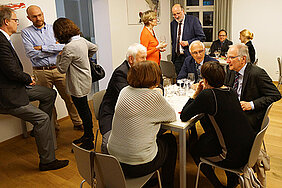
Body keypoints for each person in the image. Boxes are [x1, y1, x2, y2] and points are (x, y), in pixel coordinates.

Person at [0, 5, 68, 171]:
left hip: (17, 85)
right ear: (6, 22)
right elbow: (12, 70)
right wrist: (27, 78)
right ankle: (47, 161)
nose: (17, 23)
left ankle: (42, 133)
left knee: (49, 94)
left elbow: (63, 47)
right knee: (43, 118)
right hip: (9, 94)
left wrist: (43, 48)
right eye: (15, 20)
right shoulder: (1, 42)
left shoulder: (5, 39)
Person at [181, 61, 256, 188]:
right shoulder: (231, 91)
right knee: (207, 138)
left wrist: (196, 94)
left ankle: (218, 185)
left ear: (205, 79)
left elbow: (184, 116)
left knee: (193, 149)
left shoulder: (208, 95)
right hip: (249, 149)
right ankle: (232, 180)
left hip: (232, 156)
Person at [107, 61, 177, 187]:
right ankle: (168, 184)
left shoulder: (124, 91)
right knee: (170, 140)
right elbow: (171, 116)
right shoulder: (153, 95)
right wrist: (158, 94)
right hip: (137, 165)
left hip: (113, 161)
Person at [21, 5, 83, 131]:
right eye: (34, 16)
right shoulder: (26, 33)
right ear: (29, 18)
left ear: (43, 13)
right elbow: (31, 54)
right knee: (47, 101)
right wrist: (54, 47)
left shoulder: (53, 28)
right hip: (41, 72)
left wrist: (42, 48)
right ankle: (53, 126)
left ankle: (78, 122)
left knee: (69, 98)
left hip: (59, 69)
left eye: (40, 15)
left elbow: (64, 47)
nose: (38, 18)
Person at [53, 18, 98, 150]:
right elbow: (94, 48)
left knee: (83, 110)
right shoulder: (81, 41)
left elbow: (61, 69)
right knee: (84, 109)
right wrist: (84, 58)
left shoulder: (69, 47)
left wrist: (59, 55)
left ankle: (89, 139)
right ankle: (87, 135)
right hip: (85, 79)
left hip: (77, 83)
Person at [99, 43, 147, 154]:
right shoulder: (121, 73)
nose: (145, 60)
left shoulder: (140, 68)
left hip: (131, 114)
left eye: (146, 57)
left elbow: (157, 81)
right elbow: (129, 99)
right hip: (112, 114)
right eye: (142, 58)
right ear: (131, 59)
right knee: (108, 146)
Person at [224, 44, 281, 133]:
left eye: (231, 58)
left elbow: (275, 95)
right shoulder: (231, 70)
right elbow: (227, 87)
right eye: (227, 57)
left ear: (243, 59)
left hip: (249, 116)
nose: (227, 61)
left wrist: (251, 104)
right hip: (234, 109)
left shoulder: (257, 73)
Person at [171, 4, 206, 75]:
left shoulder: (193, 20)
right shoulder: (173, 24)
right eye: (174, 14)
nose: (176, 16)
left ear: (183, 11)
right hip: (177, 58)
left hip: (190, 56)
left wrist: (188, 42)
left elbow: (202, 37)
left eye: (178, 13)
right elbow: (174, 41)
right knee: (180, 80)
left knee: (190, 79)